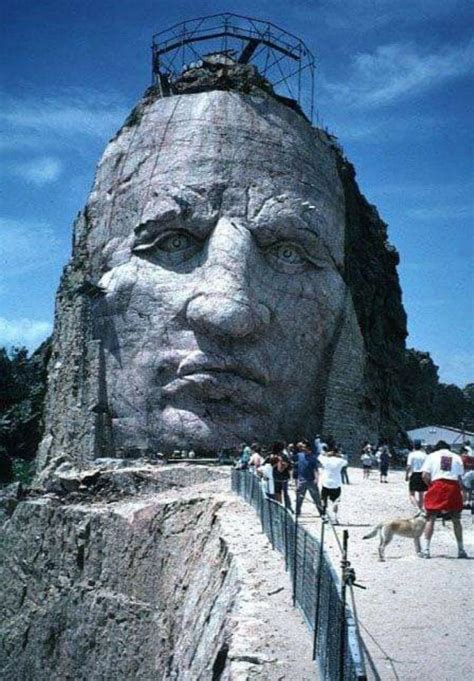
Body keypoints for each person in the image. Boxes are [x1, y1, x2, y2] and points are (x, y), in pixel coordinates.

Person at [421, 440, 467, 559]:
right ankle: (461, 549)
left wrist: (430, 485)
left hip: (437, 484)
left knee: (431, 518)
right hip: (453, 485)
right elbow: (459, 475)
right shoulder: (456, 457)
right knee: (456, 519)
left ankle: (426, 550)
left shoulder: (432, 456)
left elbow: (424, 475)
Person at [294, 440, 323, 517]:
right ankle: (297, 512)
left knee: (316, 498)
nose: (302, 448)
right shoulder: (299, 455)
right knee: (299, 498)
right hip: (301, 480)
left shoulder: (313, 458)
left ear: (308, 448)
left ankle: (321, 512)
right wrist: (296, 480)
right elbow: (296, 468)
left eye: (304, 447)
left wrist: (316, 479)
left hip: (311, 481)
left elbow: (316, 469)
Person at [318, 446, 346, 524]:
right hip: (336, 483)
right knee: (335, 502)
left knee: (324, 500)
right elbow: (345, 461)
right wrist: (339, 455)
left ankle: (324, 516)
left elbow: (319, 456)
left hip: (326, 482)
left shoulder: (326, 460)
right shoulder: (340, 460)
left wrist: (327, 454)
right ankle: (335, 518)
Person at [405, 440, 427, 509]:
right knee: (421, 494)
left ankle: (417, 508)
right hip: (423, 474)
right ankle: (420, 508)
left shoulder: (411, 454)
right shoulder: (425, 455)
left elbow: (409, 466)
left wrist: (406, 475)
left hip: (415, 474)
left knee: (412, 494)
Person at [272, 442, 293, 512]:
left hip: (276, 477)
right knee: (285, 493)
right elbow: (289, 466)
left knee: (277, 492)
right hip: (284, 477)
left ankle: (279, 508)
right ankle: (288, 508)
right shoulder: (284, 456)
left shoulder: (273, 456)